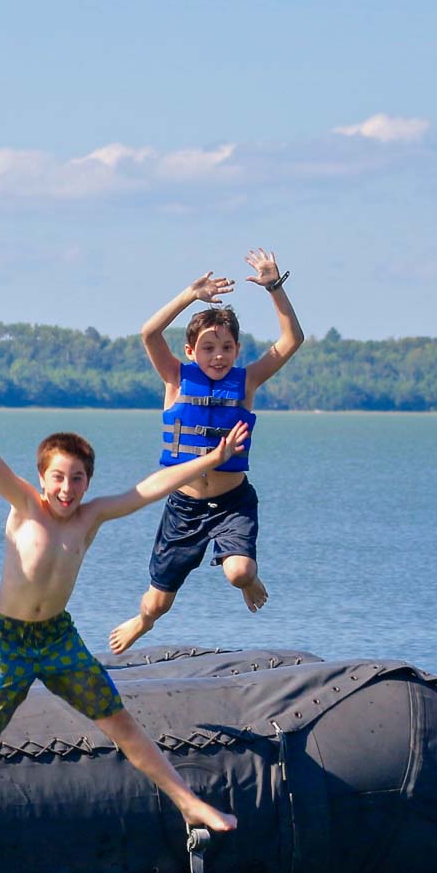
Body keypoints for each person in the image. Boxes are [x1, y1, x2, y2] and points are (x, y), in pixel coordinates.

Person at [0, 378, 241, 873]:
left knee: (121, 723)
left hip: (58, 640)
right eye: (57, 477)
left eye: (76, 479)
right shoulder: (25, 505)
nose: (66, 489)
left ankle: (188, 803)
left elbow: (151, 488)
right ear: (41, 478)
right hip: (7, 642)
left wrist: (212, 459)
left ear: (88, 483)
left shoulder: (90, 517)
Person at [108, 250, 303, 655]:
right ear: (190, 350)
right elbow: (149, 333)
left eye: (227, 347)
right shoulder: (175, 379)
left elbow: (291, 341)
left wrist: (274, 287)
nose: (218, 356)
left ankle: (249, 580)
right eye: (209, 347)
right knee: (157, 604)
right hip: (184, 507)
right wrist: (189, 296)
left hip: (233, 502)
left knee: (239, 572)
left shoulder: (246, 381)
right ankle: (143, 622)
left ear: (237, 350)